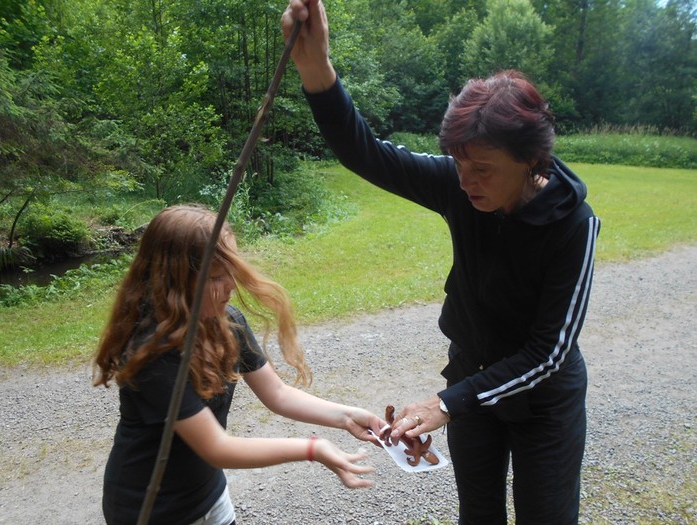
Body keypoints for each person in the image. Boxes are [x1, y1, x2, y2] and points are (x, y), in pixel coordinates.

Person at [282, 2, 601, 524]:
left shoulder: (574, 224)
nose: (465, 181)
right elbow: (366, 153)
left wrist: (448, 403)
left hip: (542, 402)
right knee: (477, 514)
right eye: (457, 163)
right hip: (470, 377)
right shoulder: (460, 183)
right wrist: (316, 68)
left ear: (531, 161)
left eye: (482, 169)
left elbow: (549, 352)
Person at [93, 204, 386, 525]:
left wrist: (348, 416)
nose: (232, 284)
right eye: (217, 276)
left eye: (232, 269)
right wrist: (312, 449)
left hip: (209, 494)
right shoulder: (153, 352)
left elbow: (277, 394)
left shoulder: (226, 322)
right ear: (174, 282)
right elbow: (216, 447)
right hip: (150, 511)